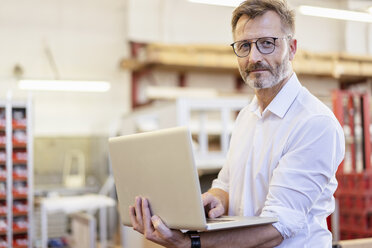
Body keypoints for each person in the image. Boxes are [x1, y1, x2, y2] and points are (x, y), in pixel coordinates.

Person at [129, 0, 345, 247]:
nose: (254, 57)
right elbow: (226, 184)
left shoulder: (314, 123)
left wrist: (191, 243)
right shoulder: (247, 116)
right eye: (244, 45)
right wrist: (215, 198)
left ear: (292, 48)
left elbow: (278, 227)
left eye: (267, 43)